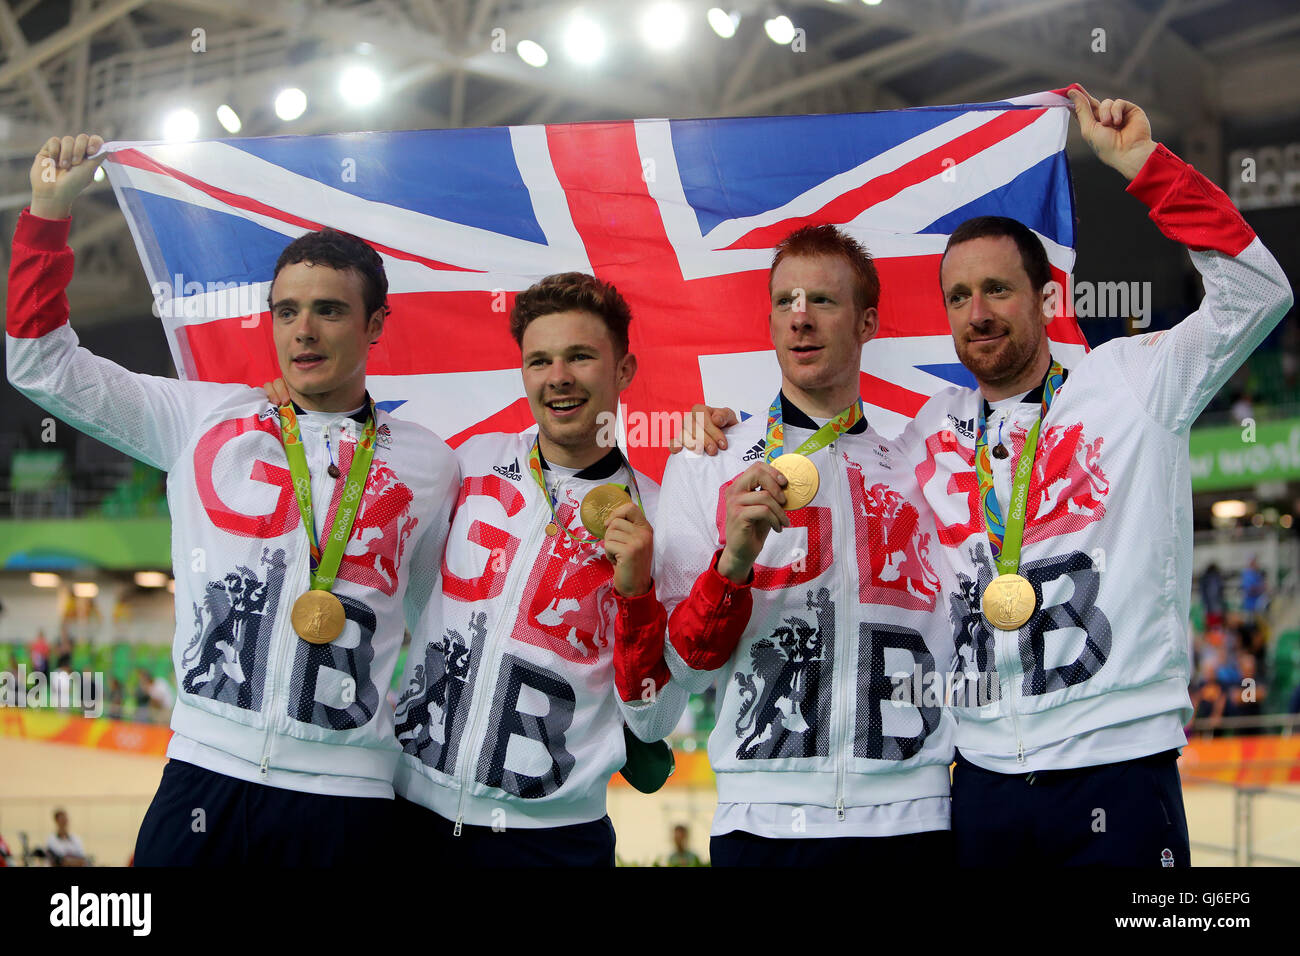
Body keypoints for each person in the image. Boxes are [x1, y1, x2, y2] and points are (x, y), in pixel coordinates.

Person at [7, 133, 460, 865]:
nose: (302, 331)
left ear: (376, 326)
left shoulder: (433, 465)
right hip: (203, 779)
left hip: (348, 800)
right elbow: (41, 367)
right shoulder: (203, 419)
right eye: (285, 311)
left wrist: (707, 438)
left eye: (328, 312)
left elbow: (441, 624)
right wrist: (48, 217)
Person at [902, 86, 1293, 865]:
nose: (977, 312)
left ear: (1050, 298)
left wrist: (1144, 166)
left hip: (1116, 774)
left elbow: (1258, 293)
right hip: (981, 783)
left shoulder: (1132, 383)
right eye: (959, 296)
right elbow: (826, 447)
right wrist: (718, 436)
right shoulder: (929, 430)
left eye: (998, 289)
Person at [382, 273, 709, 865]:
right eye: (539, 360)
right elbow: (418, 600)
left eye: (580, 356)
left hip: (552, 842)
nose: (557, 376)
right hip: (408, 816)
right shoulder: (470, 464)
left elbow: (657, 719)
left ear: (625, 370)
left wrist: (636, 595)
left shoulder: (664, 521)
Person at [655, 225, 956, 866]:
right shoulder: (707, 463)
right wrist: (731, 563)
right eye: (784, 301)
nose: (800, 319)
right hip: (762, 823)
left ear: (867, 321)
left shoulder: (924, 468)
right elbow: (685, 669)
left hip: (914, 817)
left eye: (822, 301)